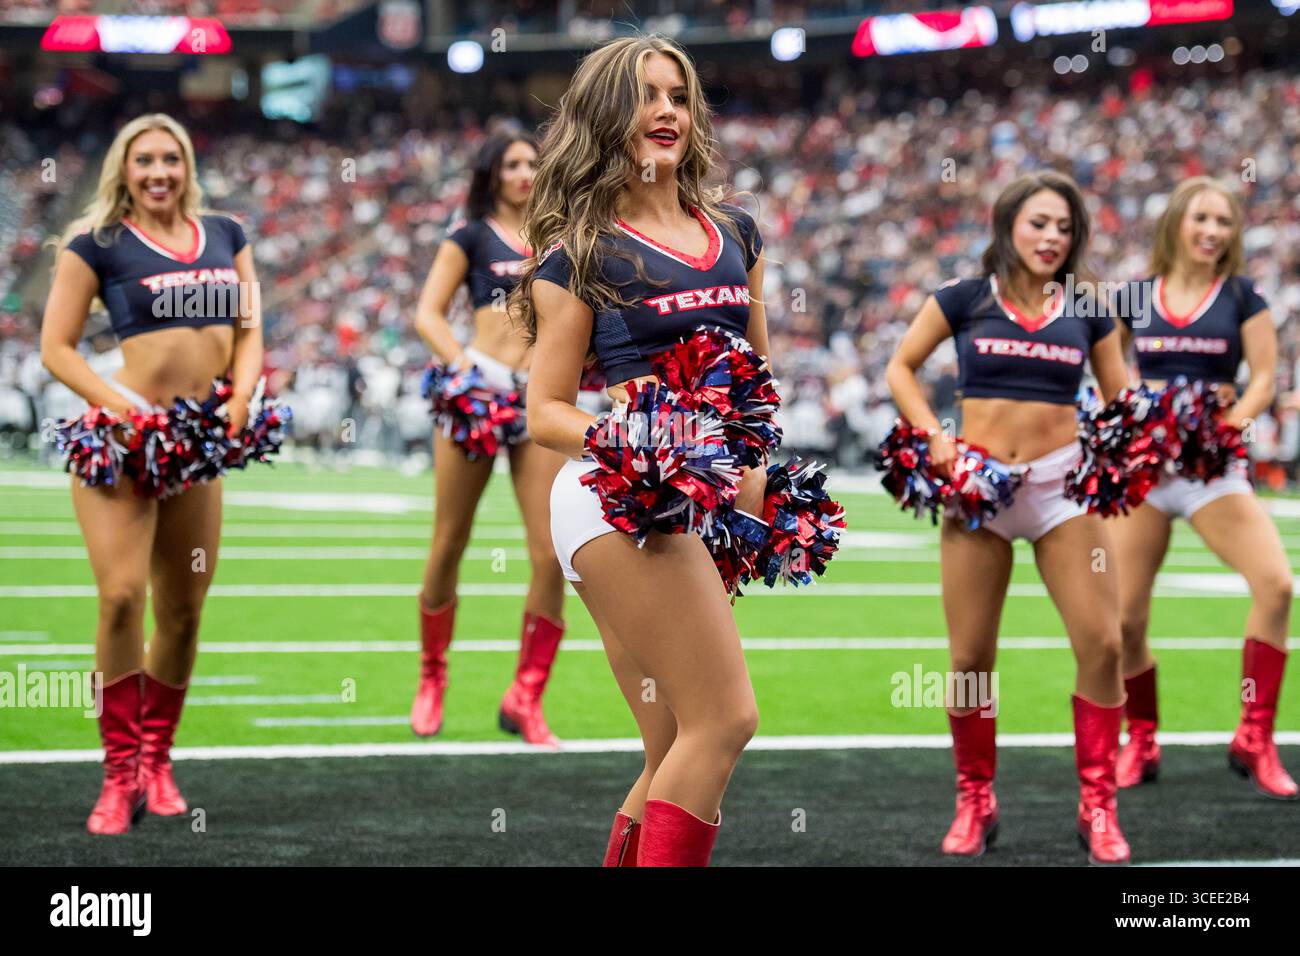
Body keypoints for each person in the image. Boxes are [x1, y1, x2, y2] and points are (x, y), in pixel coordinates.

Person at [511, 35, 768, 866]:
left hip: (709, 505)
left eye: (678, 95)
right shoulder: (580, 251)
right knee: (725, 721)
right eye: (645, 96)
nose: (666, 112)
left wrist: (752, 476)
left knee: (670, 745)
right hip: (618, 500)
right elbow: (544, 408)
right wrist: (632, 434)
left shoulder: (735, 231)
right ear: (605, 116)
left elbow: (756, 377)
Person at [885, 171, 1134, 864]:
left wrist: (1121, 441)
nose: (1052, 237)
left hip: (1063, 490)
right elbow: (902, 366)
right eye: (1038, 223)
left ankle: (1099, 806)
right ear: (1008, 226)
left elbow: (1122, 401)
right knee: (968, 659)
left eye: (1064, 228)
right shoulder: (965, 298)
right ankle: (975, 799)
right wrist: (936, 434)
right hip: (978, 491)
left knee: (1104, 644)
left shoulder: (1090, 309)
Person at [40, 113, 263, 834]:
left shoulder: (227, 233)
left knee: (185, 610)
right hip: (123, 439)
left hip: (196, 444)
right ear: (124, 170)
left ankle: (158, 760)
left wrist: (243, 393)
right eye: (144, 161)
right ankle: (117, 774)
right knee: (120, 599)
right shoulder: (95, 242)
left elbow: (251, 329)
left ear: (186, 165)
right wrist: (123, 407)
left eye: (170, 158)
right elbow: (58, 348)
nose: (159, 171)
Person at [1111, 176, 1296, 800]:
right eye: (1201, 219)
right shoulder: (1135, 296)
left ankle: (1255, 736)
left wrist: (1229, 425)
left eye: (1224, 221)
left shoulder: (1244, 296)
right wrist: (1130, 419)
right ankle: (1141, 738)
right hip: (1146, 472)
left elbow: (1265, 379)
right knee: (1126, 618)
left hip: (1212, 471)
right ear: (1176, 225)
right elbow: (1111, 376)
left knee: (1275, 584)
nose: (1213, 231)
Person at [411, 132, 570, 747]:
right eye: (512, 164)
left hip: (540, 400)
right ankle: (432, 676)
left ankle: (525, 696)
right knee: (450, 541)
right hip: (477, 394)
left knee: (552, 553)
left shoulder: (563, 236)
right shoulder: (471, 234)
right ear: (492, 174)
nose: (526, 173)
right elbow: (428, 312)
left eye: (533, 162)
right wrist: (466, 368)